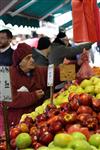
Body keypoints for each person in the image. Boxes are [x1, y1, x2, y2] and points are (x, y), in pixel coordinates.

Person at [0, 43, 60, 131]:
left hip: (34, 121)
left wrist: (77, 64)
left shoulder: (38, 71)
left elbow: (56, 73)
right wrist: (34, 96)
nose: (32, 60)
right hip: (12, 123)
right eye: (27, 58)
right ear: (19, 62)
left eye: (32, 57)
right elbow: (9, 100)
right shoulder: (4, 74)